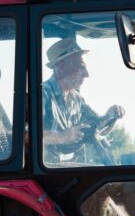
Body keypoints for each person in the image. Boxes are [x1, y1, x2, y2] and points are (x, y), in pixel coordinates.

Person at [42, 37, 124, 165]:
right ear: (61, 67)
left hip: (70, 167)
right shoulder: (42, 94)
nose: (87, 74)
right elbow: (23, 136)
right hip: (47, 170)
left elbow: (95, 128)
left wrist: (110, 117)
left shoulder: (76, 98)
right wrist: (62, 137)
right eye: (80, 68)